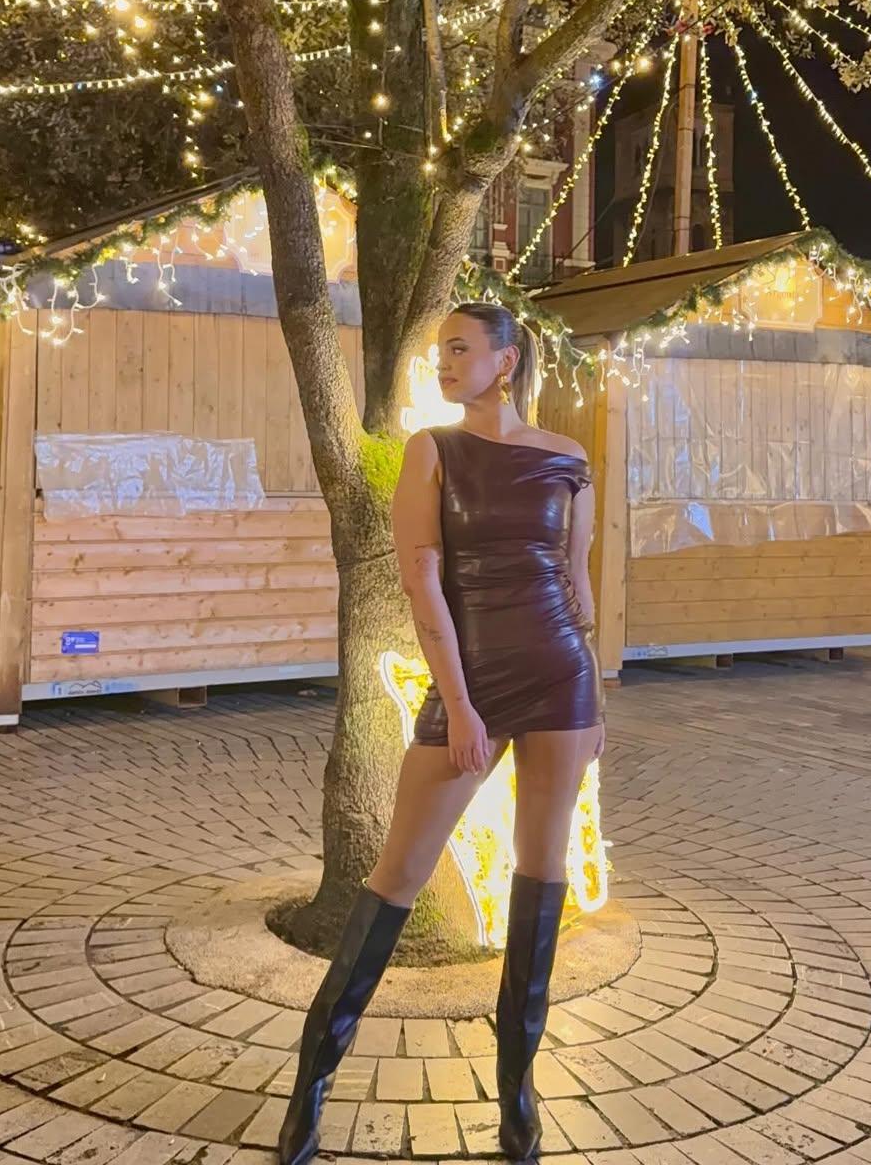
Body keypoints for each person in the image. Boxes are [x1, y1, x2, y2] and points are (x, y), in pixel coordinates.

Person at [279, 300, 605, 1165]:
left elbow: (577, 583)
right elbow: (422, 580)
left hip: (562, 678)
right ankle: (311, 1087)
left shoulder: (569, 458)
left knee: (543, 875)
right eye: (439, 353)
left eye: (459, 348)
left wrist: (596, 699)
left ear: (507, 360)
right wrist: (459, 706)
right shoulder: (433, 450)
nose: (444, 363)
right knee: (398, 874)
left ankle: (519, 1096)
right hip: (473, 683)